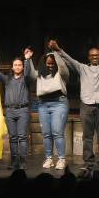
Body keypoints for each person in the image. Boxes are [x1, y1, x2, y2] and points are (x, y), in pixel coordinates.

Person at [54, 25, 99, 177]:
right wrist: (58, 49)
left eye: (97, 55)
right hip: (86, 104)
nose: (94, 57)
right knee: (87, 135)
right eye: (92, 55)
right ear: (88, 57)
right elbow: (68, 59)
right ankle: (88, 162)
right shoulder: (82, 68)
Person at [25, 39, 72, 170]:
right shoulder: (39, 74)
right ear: (44, 64)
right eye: (48, 64)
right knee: (46, 133)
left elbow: (62, 66)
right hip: (43, 104)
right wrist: (28, 59)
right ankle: (49, 158)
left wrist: (55, 51)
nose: (50, 66)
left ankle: (61, 159)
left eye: (52, 64)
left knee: (57, 132)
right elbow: (30, 74)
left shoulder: (60, 73)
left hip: (59, 103)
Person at [0, 49, 32, 170]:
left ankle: (23, 161)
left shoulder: (25, 79)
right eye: (15, 65)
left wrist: (27, 59)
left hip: (22, 111)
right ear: (12, 67)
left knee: (22, 136)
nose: (18, 67)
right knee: (13, 137)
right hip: (9, 111)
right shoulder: (7, 79)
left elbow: (29, 72)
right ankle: (14, 161)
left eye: (20, 65)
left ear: (22, 67)